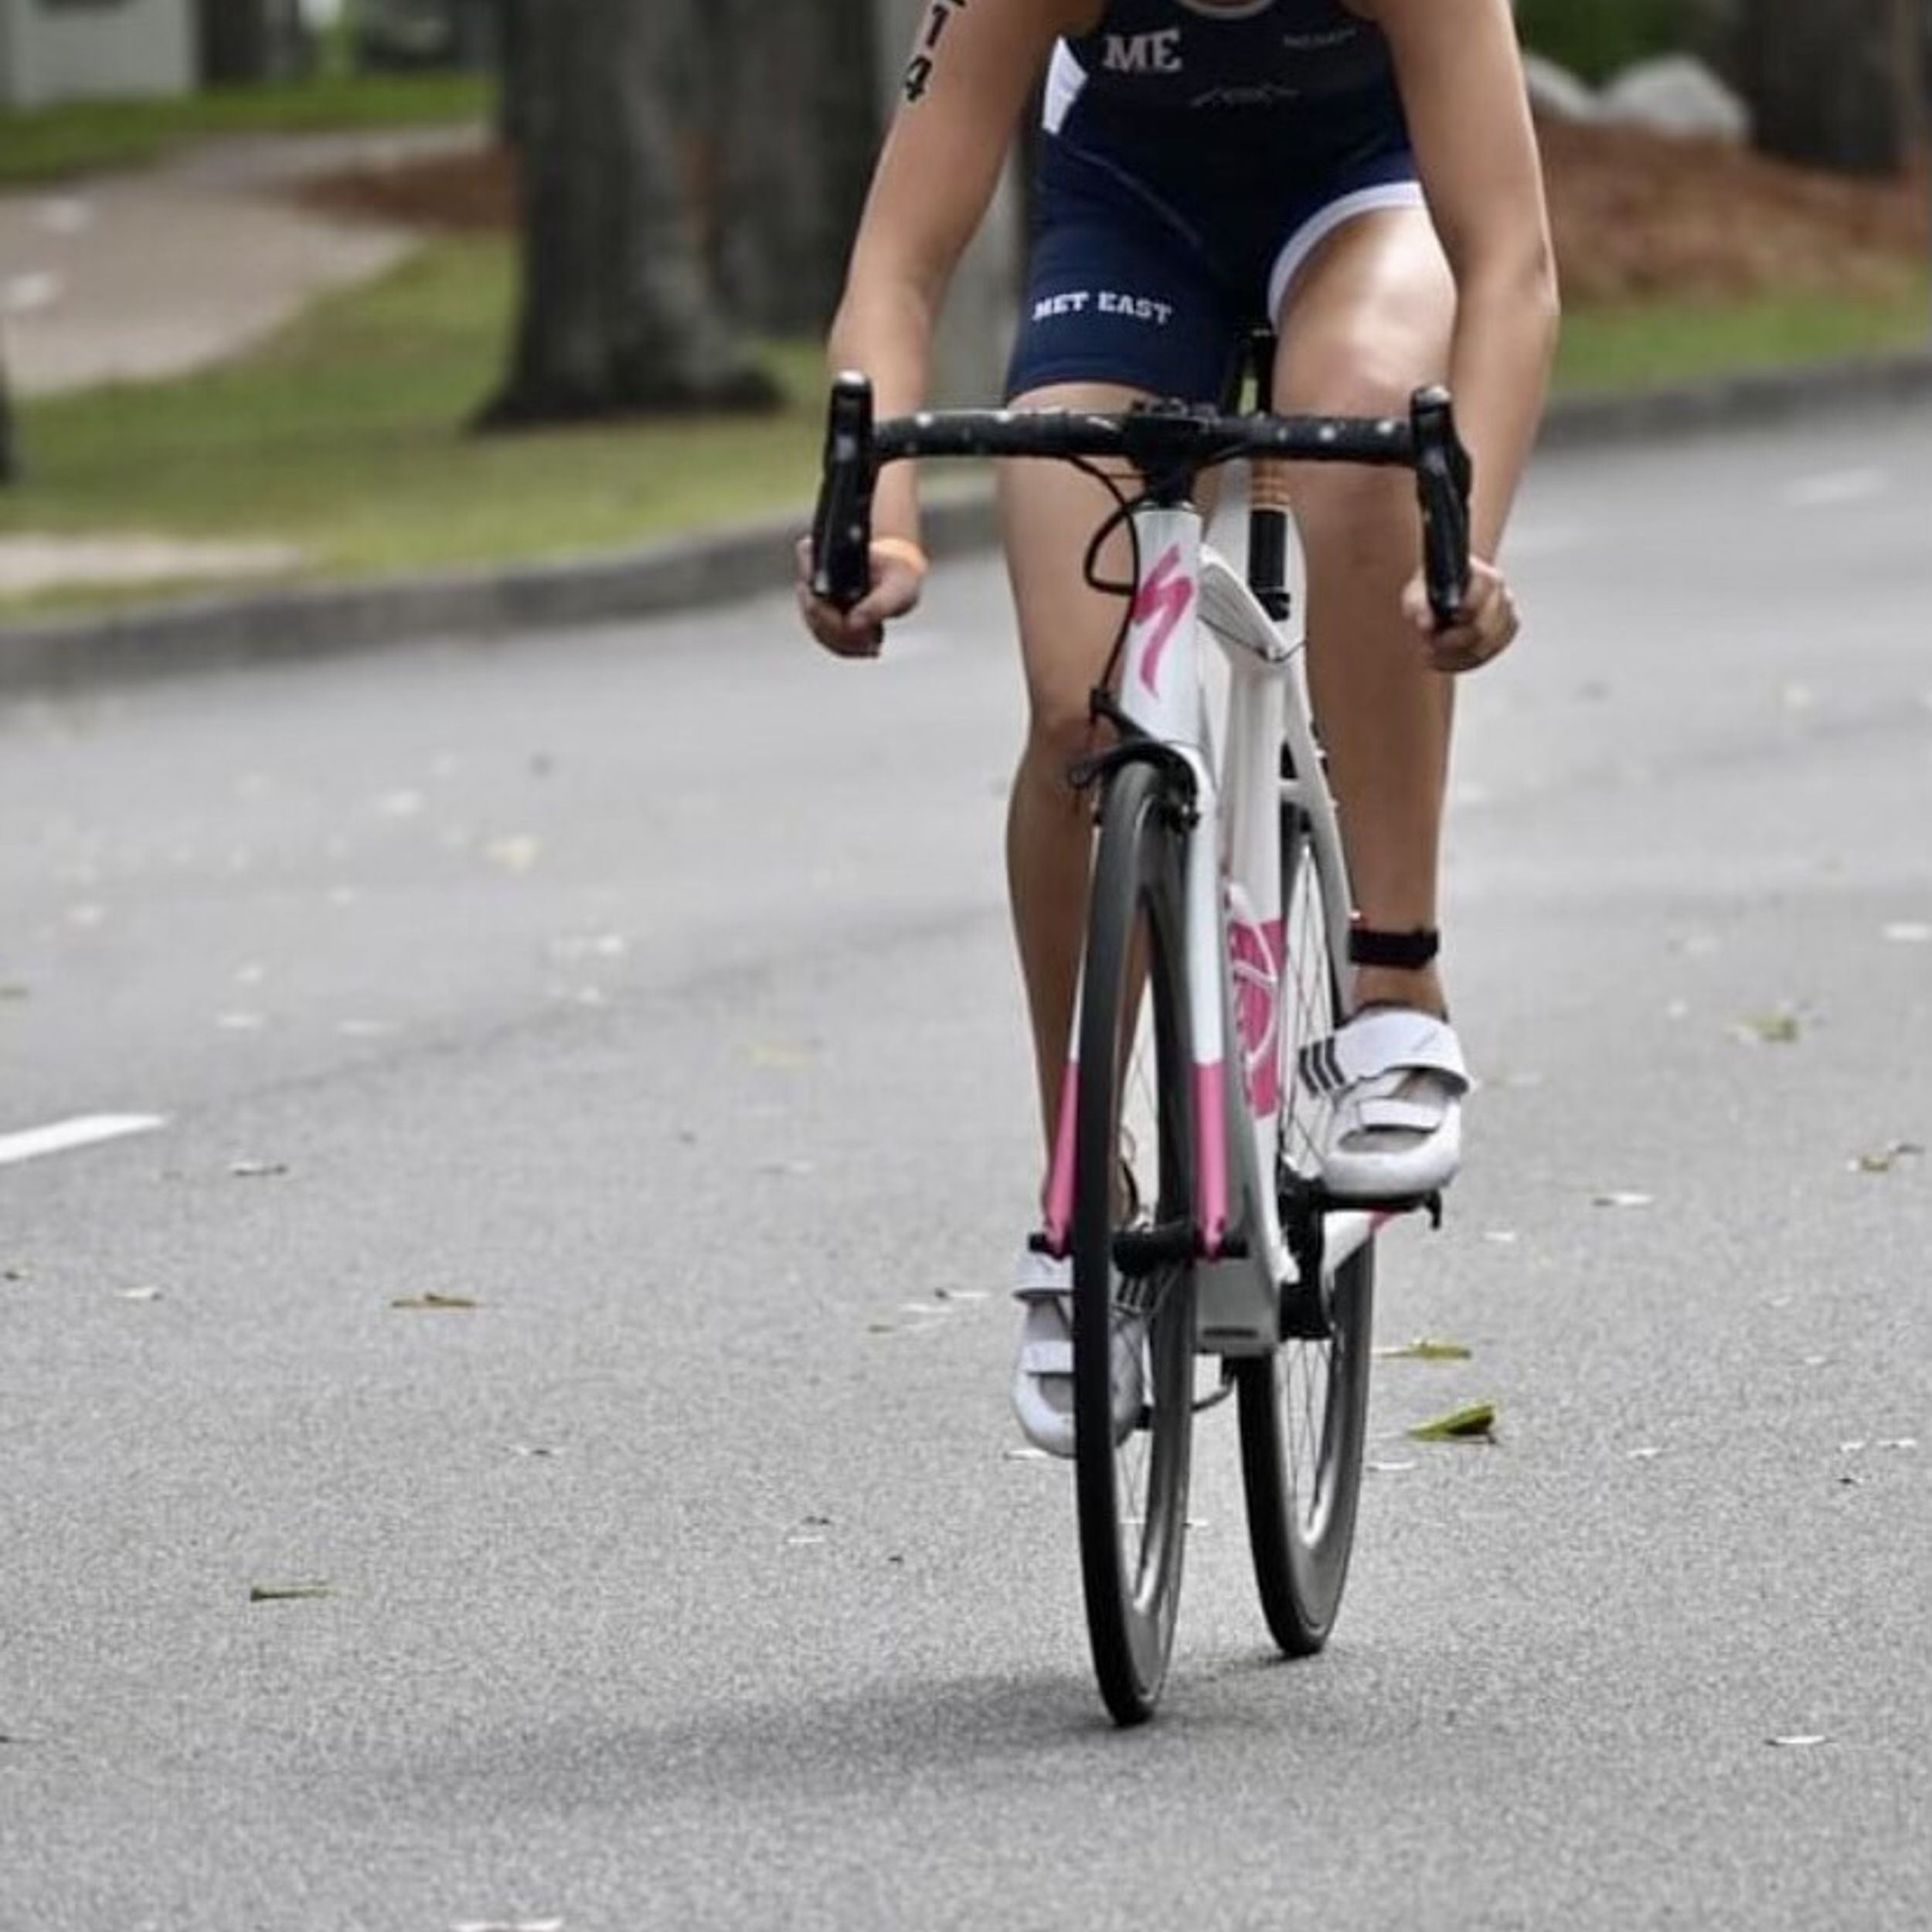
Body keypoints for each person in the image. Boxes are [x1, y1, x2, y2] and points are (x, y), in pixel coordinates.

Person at [798, 0, 1559, 1457]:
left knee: (1362, 426)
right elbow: (896, 264)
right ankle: (1081, 1201)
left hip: (1362, 203)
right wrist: (876, 522)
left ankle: (1396, 986)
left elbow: (1510, 262)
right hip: (1130, 222)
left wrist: (1463, 554)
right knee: (1075, 711)